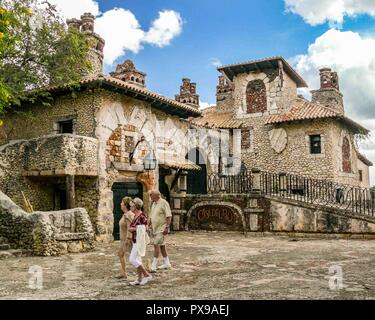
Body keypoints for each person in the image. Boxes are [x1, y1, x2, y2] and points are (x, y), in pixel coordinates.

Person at [128, 197, 152, 286]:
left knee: (132, 259)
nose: (130, 207)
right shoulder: (135, 216)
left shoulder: (142, 216)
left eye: (132, 205)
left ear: (136, 206)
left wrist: (133, 229)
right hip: (135, 240)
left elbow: (145, 228)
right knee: (138, 260)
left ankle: (146, 275)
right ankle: (139, 279)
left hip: (139, 241)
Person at [149, 190, 172, 272]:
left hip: (161, 228)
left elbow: (168, 216)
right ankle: (167, 263)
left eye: (151, 195)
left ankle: (153, 266)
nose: (150, 196)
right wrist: (149, 223)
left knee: (156, 244)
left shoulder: (164, 203)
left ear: (157, 195)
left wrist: (167, 227)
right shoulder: (153, 204)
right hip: (155, 228)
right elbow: (152, 215)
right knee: (162, 246)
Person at [116, 196, 134, 279]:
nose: (120, 204)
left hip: (126, 239)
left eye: (122, 203)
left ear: (125, 205)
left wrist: (128, 239)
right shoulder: (125, 214)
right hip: (123, 239)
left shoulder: (129, 214)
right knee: (120, 254)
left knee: (135, 257)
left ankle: (144, 270)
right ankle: (123, 272)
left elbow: (129, 227)